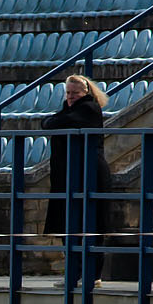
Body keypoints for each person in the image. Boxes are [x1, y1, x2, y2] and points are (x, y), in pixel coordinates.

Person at [44, 72, 113, 282]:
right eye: (68, 92)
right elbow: (48, 123)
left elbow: (58, 123)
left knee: (91, 224)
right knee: (68, 225)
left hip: (89, 174)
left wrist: (58, 119)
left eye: (75, 92)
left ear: (85, 92)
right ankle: (74, 273)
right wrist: (58, 119)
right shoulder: (68, 110)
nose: (71, 96)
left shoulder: (90, 109)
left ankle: (92, 275)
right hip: (67, 176)